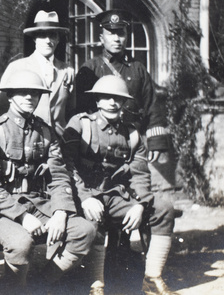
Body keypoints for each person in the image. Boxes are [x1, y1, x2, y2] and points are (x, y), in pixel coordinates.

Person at [0, 70, 95, 292]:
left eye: (34, 93)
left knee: (84, 231)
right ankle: (15, 289)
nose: (29, 97)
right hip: (2, 211)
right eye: (22, 93)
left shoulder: (46, 132)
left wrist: (60, 212)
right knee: (21, 243)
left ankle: (41, 284)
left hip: (40, 204)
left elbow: (59, 175)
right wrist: (22, 216)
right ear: (10, 96)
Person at [62, 75, 176, 295]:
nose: (112, 103)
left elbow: (140, 174)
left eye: (118, 99)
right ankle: (96, 285)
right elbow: (67, 165)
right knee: (92, 220)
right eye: (106, 98)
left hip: (115, 198)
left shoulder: (132, 134)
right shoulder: (81, 124)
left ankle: (152, 277)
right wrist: (85, 198)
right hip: (81, 195)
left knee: (163, 209)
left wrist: (140, 204)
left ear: (124, 103)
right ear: (97, 101)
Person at [75, 9, 169, 162]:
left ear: (126, 37)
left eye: (121, 33)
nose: (116, 39)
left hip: (133, 143)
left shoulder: (138, 69)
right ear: (101, 38)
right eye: (111, 33)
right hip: (98, 146)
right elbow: (79, 111)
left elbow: (152, 105)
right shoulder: (90, 69)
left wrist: (156, 143)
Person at [0, 10, 75, 137]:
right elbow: (1, 106)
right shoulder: (17, 67)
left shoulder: (66, 71)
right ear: (34, 39)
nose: (48, 41)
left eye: (53, 35)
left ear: (58, 39)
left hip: (60, 142)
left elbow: (72, 110)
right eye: (42, 35)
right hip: (27, 139)